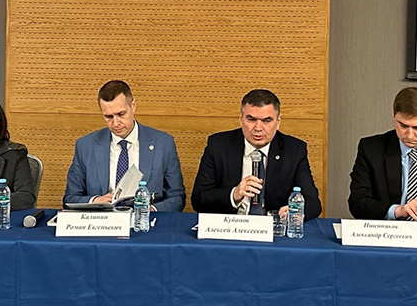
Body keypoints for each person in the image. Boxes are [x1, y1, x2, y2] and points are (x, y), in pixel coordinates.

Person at [191, 89, 322, 220]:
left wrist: (295, 211)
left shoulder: (294, 150)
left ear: (278, 122)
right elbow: (199, 199)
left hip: (273, 226)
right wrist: (233, 195)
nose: (258, 128)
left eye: (267, 120)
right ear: (241, 119)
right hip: (231, 225)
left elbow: (313, 203)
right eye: (251, 119)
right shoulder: (219, 145)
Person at [64, 80, 186, 211]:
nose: (116, 123)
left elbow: (177, 197)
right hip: (102, 219)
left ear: (133, 106)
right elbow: (70, 198)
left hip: (145, 219)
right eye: (108, 117)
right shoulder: (85, 146)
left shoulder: (163, 144)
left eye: (121, 114)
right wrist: (95, 201)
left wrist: (151, 210)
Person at [348, 87, 417, 220]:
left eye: (416, 128)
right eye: (403, 126)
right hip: (389, 229)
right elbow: (358, 203)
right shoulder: (371, 149)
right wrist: (398, 211)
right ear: (394, 115)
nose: (409, 135)